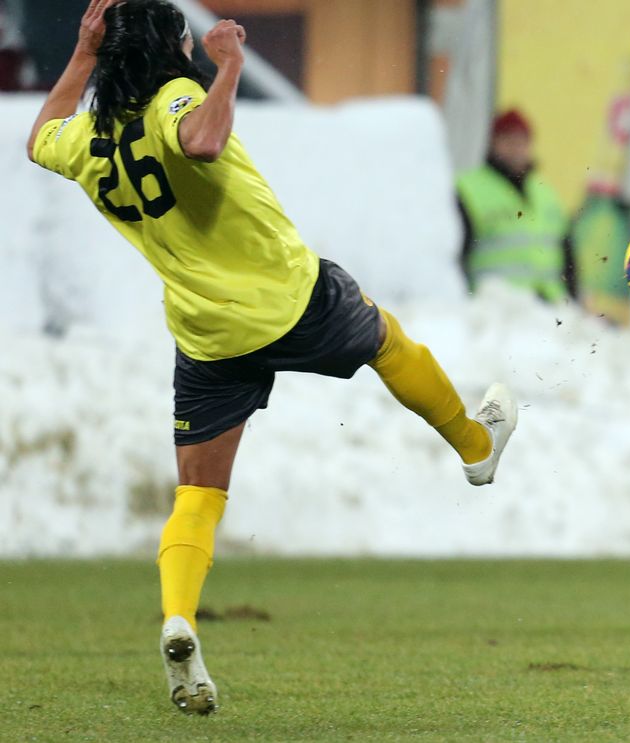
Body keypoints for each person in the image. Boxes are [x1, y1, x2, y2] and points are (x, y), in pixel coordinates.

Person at [27, 0, 518, 715]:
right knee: (387, 339)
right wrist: (228, 67)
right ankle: (476, 445)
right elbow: (199, 142)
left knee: (198, 494)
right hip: (291, 299)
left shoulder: (91, 137)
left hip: (207, 334)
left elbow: (41, 137)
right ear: (176, 44)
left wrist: (80, 55)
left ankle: (180, 619)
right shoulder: (180, 95)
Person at [456, 109, 570, 302]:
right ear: (493, 143)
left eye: (522, 142)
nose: (516, 149)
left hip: (548, 305)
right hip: (495, 307)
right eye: (508, 141)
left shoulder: (545, 192)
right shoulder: (469, 189)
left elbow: (567, 253)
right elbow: (458, 254)